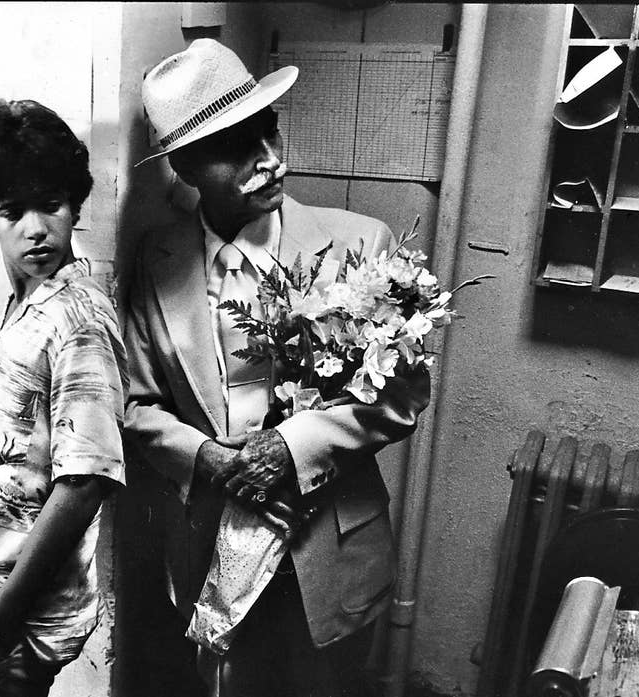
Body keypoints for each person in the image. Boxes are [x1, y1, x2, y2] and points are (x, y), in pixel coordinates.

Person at [123, 39, 431, 697]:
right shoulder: (157, 261)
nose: (270, 159)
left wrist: (289, 449)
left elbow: (403, 395)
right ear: (184, 164)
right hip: (214, 557)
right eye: (239, 146)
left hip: (333, 561)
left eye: (270, 131)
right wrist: (209, 458)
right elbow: (139, 407)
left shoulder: (360, 244)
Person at [0, 99, 127, 697]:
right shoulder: (29, 300)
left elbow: (85, 482)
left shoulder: (78, 318)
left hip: (12, 615)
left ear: (75, 202)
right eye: (13, 211)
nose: (36, 228)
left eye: (52, 204)